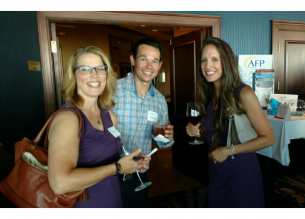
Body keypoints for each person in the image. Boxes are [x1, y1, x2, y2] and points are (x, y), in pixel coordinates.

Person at [47, 46, 151, 208]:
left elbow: (106, 158)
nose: (94, 75)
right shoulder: (68, 118)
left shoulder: (110, 117)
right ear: (73, 75)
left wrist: (131, 162)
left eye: (100, 69)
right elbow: (60, 183)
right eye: (85, 69)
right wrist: (116, 168)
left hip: (114, 201)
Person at [186, 37, 275, 208]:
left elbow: (269, 138)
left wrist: (229, 151)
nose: (207, 66)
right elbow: (219, 134)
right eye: (204, 60)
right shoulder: (207, 96)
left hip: (241, 172)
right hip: (217, 170)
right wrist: (199, 132)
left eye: (214, 59)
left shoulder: (243, 93)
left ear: (226, 62)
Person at [112, 38, 174, 208]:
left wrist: (167, 138)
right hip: (109, 176)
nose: (149, 66)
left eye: (155, 61)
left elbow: (160, 143)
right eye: (143, 59)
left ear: (160, 65)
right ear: (132, 60)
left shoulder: (160, 101)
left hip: (140, 176)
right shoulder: (112, 91)